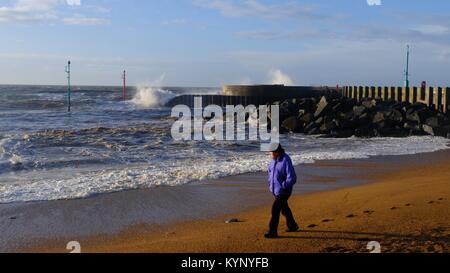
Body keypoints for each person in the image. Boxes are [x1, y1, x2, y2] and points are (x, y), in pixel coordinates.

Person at [265, 144, 299, 239]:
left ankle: (272, 232)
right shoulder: (273, 161)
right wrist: (270, 185)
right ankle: (293, 226)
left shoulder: (286, 159)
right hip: (276, 191)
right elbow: (270, 173)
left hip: (284, 190)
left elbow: (292, 177)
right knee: (284, 209)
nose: (271, 154)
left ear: (278, 151)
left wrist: (284, 185)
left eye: (272, 152)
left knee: (275, 209)